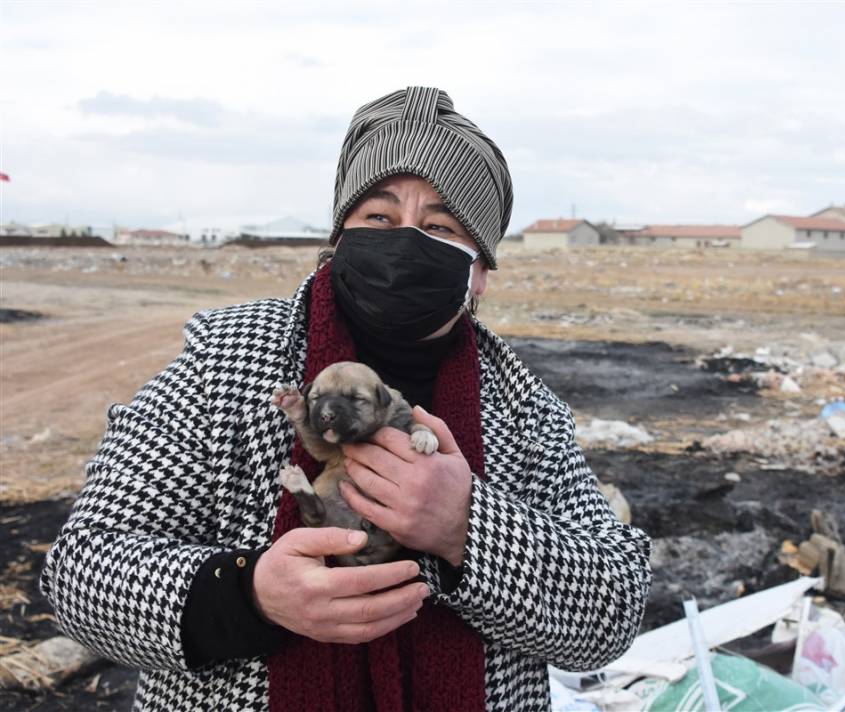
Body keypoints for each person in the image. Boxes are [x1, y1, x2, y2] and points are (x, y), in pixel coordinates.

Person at [40, 86, 651, 711]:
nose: (405, 241)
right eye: (378, 218)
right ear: (339, 238)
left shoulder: (524, 409)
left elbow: (612, 613)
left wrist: (467, 525)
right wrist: (250, 595)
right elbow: (81, 572)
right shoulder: (222, 363)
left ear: (479, 272)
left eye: (440, 226)